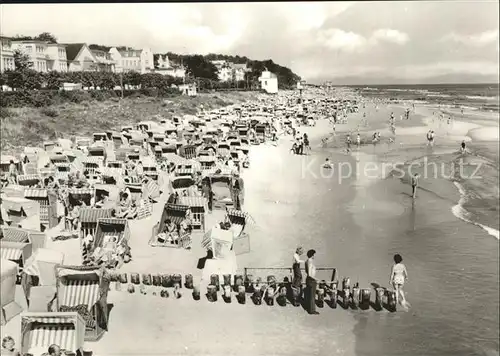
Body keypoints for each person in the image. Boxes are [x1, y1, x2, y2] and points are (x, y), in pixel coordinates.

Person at [304, 249, 319, 314]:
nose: (314, 256)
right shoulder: (310, 261)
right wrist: (316, 279)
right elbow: (310, 274)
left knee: (309, 295)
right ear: (312, 254)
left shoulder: (306, 261)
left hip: (308, 279)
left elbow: (306, 271)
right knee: (312, 296)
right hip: (311, 280)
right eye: (314, 254)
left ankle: (308, 308)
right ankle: (312, 310)